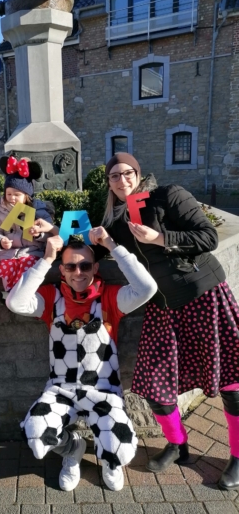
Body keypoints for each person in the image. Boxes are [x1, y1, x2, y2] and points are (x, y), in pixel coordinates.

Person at [98, 151, 239, 490]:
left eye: (127, 172)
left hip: (202, 294)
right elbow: (101, 255)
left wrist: (160, 238)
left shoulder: (168, 195)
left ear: (138, 172)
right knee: (154, 383)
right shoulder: (116, 222)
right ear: (108, 182)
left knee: (231, 382)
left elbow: (209, 237)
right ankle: (178, 445)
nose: (122, 180)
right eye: (114, 176)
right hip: (163, 307)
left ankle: (237, 456)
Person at [6, 230, 157, 491]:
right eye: (71, 266)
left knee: (122, 448)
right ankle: (72, 450)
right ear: (62, 270)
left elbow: (147, 288)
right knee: (36, 432)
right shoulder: (51, 297)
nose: (78, 272)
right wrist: (46, 259)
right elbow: (16, 302)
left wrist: (111, 243)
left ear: (96, 267)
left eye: (85, 265)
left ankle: (110, 460)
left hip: (104, 392)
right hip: (60, 391)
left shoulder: (110, 296)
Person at [0, 156, 55, 291]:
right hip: (8, 254)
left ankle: (23, 298)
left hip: (31, 253)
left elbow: (51, 234)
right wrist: (0, 241)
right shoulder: (1, 210)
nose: (12, 198)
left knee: (25, 277)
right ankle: (11, 298)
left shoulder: (39, 211)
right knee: (7, 277)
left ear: (27, 196)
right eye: (9, 194)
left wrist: (38, 234)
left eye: (17, 194)